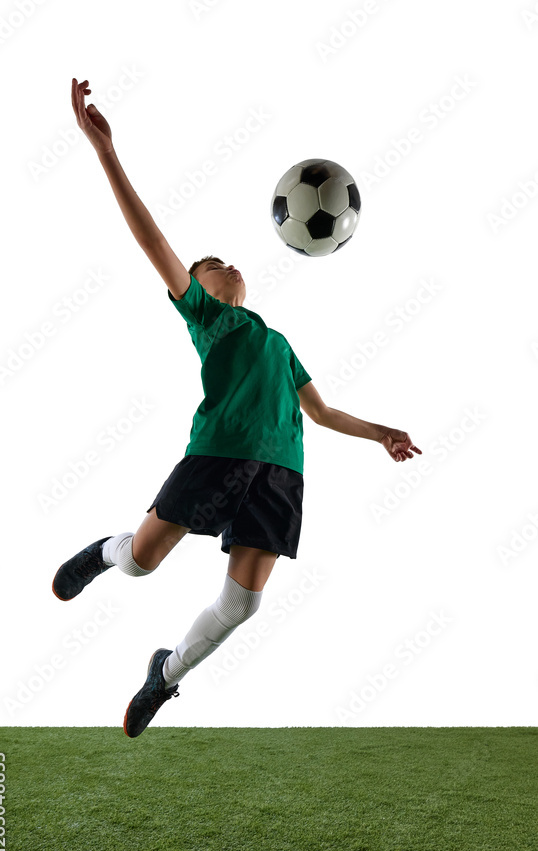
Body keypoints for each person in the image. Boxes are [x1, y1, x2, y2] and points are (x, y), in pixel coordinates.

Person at [52, 79, 422, 739]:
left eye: (228, 261)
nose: (229, 265)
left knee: (243, 605)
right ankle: (105, 552)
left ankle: (165, 674)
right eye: (213, 263)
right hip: (217, 456)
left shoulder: (278, 342)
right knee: (141, 563)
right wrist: (106, 151)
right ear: (195, 286)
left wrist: (381, 433)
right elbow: (152, 242)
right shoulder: (208, 318)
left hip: (283, 473)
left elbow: (321, 413)